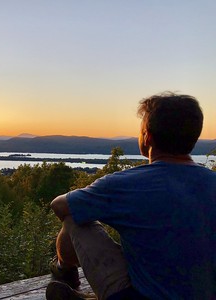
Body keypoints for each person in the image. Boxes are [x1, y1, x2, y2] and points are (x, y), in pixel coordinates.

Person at [46, 92, 216, 300]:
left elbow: (59, 206)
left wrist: (87, 197)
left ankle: (63, 271)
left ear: (147, 136)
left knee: (74, 217)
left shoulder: (125, 184)